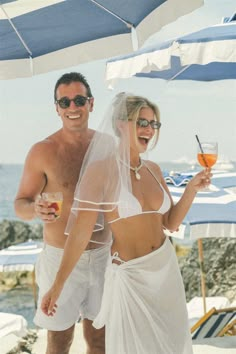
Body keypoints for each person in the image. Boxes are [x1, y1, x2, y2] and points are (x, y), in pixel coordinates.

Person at [41, 92, 212, 354]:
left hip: (166, 271)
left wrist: (191, 190)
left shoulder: (153, 169)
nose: (149, 130)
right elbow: (79, 234)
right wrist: (58, 285)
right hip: (131, 277)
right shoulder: (100, 171)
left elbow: (170, 223)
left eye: (153, 124)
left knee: (173, 346)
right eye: (142, 122)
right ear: (121, 124)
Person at [14, 72, 111, 354]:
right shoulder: (43, 151)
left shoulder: (109, 146)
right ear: (56, 108)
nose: (72, 107)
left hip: (104, 256)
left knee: (100, 339)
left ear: (91, 104)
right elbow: (20, 203)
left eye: (79, 100)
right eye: (64, 102)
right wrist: (35, 209)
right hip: (59, 258)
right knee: (59, 341)